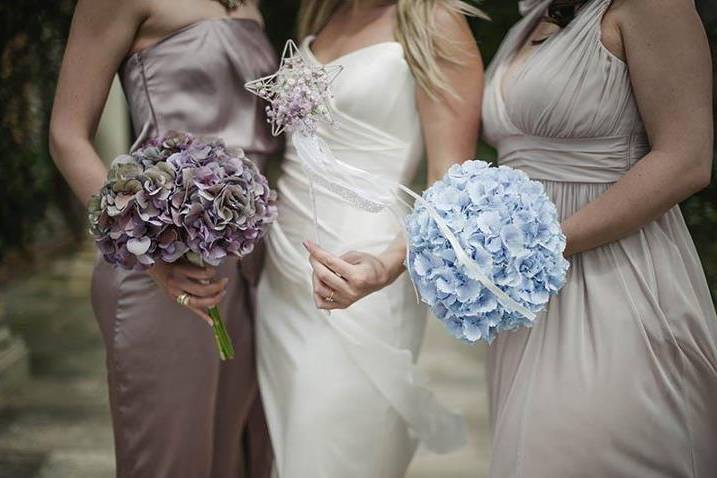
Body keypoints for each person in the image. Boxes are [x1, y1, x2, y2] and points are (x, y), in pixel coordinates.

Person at [481, 0, 717, 476]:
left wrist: (545, 244)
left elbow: (686, 159)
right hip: (527, 297)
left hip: (617, 279)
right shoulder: (536, 14)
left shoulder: (652, 6)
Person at [49, 1, 279, 476]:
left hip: (246, 263)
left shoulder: (244, 4)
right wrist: (149, 254)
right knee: (170, 461)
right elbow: (66, 135)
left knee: (231, 460)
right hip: (163, 259)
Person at [255, 0, 484, 476]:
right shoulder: (322, 17)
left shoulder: (432, 20)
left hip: (363, 274)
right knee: (290, 447)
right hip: (281, 276)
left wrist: (387, 265)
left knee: (336, 450)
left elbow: (451, 182)